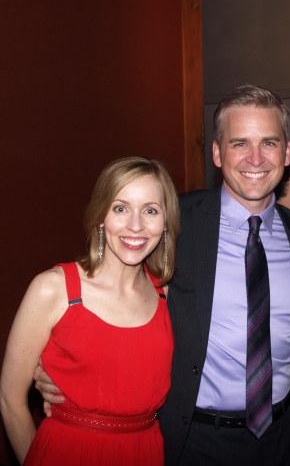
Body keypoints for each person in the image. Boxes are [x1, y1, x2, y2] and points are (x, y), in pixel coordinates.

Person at [34, 86, 290, 466]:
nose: (255, 158)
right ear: (217, 153)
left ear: (286, 153)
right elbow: (107, 293)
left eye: (268, 143)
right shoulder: (172, 224)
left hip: (283, 439)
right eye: (239, 144)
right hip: (193, 440)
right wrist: (51, 365)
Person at [0, 156, 180, 465]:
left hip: (145, 453)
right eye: (120, 208)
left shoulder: (167, 294)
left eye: (150, 211)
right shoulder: (53, 289)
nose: (135, 225)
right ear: (100, 216)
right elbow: (10, 400)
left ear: (165, 223)